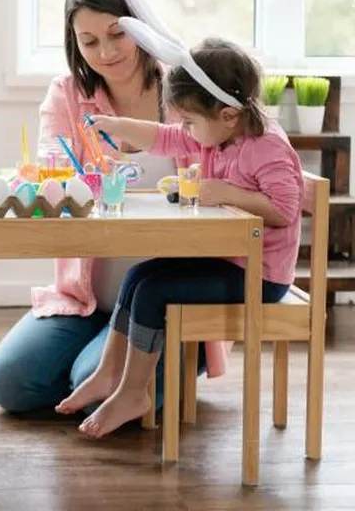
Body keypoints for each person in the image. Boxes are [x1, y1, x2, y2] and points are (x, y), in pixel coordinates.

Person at [0, 0, 223, 414]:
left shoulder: (187, 88)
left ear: (141, 26)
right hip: (86, 298)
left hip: (164, 303)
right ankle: (99, 373)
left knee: (92, 380)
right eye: (88, 41)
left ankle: (111, 376)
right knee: (11, 384)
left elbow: (245, 148)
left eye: (117, 34)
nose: (106, 52)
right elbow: (48, 172)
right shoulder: (67, 94)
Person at [57, 33, 303, 438]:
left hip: (260, 276)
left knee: (155, 293)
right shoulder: (220, 131)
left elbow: (284, 209)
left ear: (227, 114)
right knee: (139, 276)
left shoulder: (266, 147)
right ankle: (108, 374)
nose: (184, 130)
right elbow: (166, 136)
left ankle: (133, 392)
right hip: (226, 261)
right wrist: (116, 125)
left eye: (190, 121)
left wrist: (225, 193)